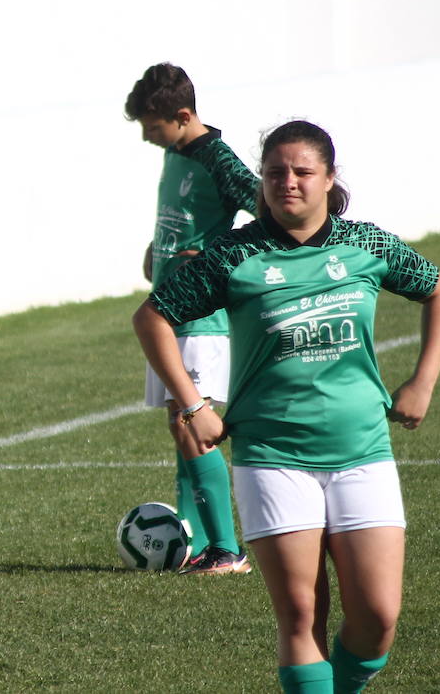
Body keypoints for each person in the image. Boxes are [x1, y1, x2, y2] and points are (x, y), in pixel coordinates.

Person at [133, 120, 440, 693]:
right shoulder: (234, 253)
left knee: (378, 618)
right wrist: (191, 404)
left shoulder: (365, 245)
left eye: (303, 172)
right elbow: (153, 317)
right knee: (302, 614)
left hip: (363, 451)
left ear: (330, 179)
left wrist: (422, 383)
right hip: (272, 455)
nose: (288, 182)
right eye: (275, 172)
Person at [123, 62, 260, 575]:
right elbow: (187, 219)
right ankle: (196, 543)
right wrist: (158, 248)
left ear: (182, 116)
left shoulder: (218, 159)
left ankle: (229, 551)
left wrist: (216, 256)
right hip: (169, 312)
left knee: (193, 425)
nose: (146, 137)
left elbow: (265, 209)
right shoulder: (178, 152)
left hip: (200, 320)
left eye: (152, 127)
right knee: (180, 426)